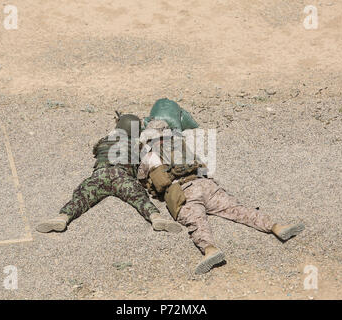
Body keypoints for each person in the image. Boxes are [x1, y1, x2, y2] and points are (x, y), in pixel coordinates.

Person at [138, 99, 305, 274]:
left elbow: (143, 178)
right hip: (206, 185)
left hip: (184, 192)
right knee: (237, 209)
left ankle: (210, 250)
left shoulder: (150, 154)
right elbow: (201, 166)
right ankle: (276, 227)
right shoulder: (181, 145)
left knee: (197, 222)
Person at [36, 114, 182, 234]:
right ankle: (155, 217)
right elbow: (147, 161)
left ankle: (63, 217)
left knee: (80, 197)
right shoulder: (138, 145)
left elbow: (96, 150)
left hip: (100, 174)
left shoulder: (105, 141)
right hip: (122, 176)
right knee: (140, 199)